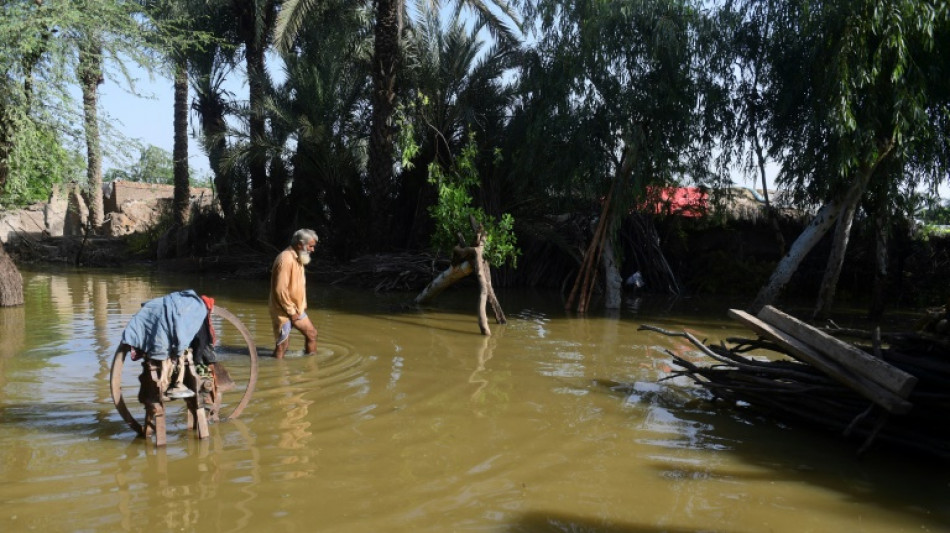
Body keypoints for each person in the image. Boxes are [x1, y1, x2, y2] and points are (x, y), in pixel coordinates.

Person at [269, 229, 319, 358]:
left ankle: (311, 366)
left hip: (297, 308)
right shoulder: (285, 259)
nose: (312, 250)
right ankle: (277, 372)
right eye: (310, 246)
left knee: (312, 334)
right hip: (284, 309)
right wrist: (292, 312)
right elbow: (280, 290)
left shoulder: (299, 257)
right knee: (282, 346)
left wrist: (299, 307)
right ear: (300, 244)